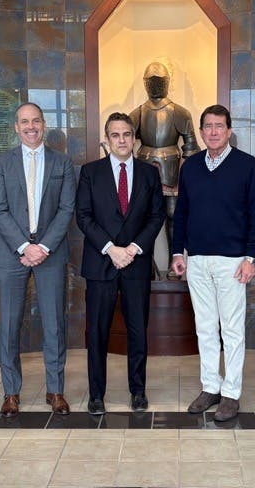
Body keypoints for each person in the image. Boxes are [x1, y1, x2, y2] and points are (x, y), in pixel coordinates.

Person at [170, 104, 255, 422]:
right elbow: (182, 212)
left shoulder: (247, 166)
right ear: (200, 132)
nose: (213, 132)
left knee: (232, 330)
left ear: (229, 131)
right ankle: (210, 386)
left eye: (219, 126)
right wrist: (177, 252)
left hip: (233, 262)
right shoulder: (192, 166)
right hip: (197, 260)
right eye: (207, 126)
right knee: (205, 328)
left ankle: (231, 393)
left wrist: (251, 257)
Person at [75, 112, 166, 415]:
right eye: (115, 135)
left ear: (135, 139)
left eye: (127, 134)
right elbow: (84, 216)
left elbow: (156, 216)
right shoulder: (90, 172)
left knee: (138, 330)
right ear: (106, 140)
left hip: (136, 263)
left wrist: (134, 249)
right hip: (101, 263)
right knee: (98, 331)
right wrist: (111, 248)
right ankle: (96, 394)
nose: (122, 140)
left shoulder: (149, 173)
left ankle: (138, 391)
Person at [0, 102, 76, 417]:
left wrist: (44, 247)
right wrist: (24, 246)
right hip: (12, 254)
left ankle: (55, 390)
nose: (30, 126)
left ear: (44, 124)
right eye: (24, 121)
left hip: (50, 254)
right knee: (9, 325)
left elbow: (67, 209)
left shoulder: (62, 163)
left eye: (36, 121)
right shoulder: (2, 163)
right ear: (16, 127)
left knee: (54, 324)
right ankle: (11, 393)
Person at [129, 62, 199, 270]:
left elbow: (191, 147)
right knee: (143, 217)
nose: (156, 85)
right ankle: (147, 264)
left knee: (173, 216)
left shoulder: (181, 112)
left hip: (173, 171)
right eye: (152, 81)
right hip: (144, 169)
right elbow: (126, 146)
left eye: (159, 81)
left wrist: (183, 179)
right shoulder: (138, 113)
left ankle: (172, 262)